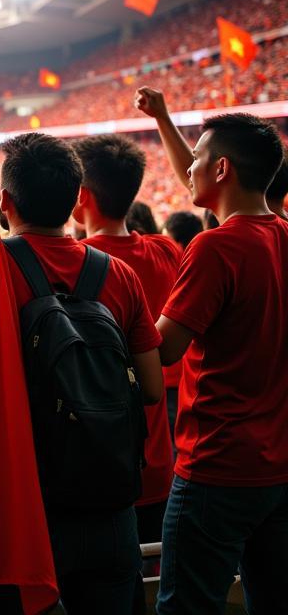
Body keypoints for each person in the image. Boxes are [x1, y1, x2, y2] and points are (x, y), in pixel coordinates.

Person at [0, 133, 164, 615]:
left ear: (8, 201)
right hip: (108, 500)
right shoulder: (120, 275)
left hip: (25, 508)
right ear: (76, 198)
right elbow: (154, 388)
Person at [154, 113, 288, 615]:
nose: (190, 169)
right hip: (278, 468)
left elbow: (166, 348)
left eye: (200, 160)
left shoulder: (215, 247)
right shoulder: (276, 237)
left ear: (222, 169)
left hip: (218, 467)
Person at [72, 134, 180, 612]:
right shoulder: (166, 252)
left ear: (82, 197)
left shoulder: (71, 264)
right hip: (158, 454)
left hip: (92, 464)